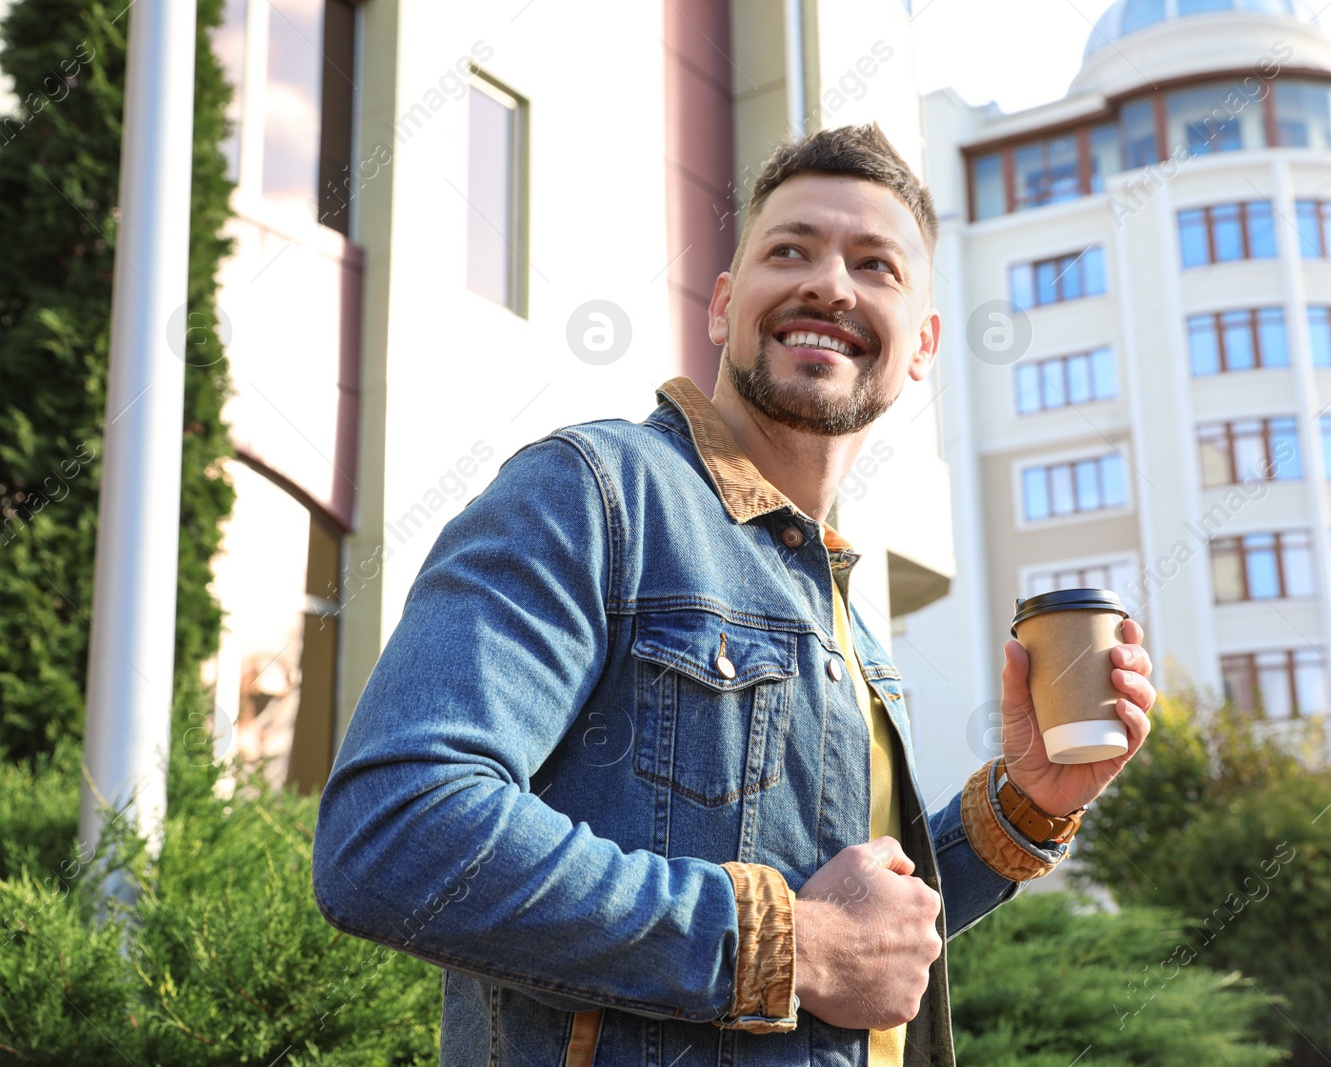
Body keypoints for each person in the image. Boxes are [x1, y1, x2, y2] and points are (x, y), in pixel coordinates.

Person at [312, 122, 1156, 1067]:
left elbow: (863, 941)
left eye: (875, 265)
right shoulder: (596, 492)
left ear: (921, 346)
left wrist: (1022, 807)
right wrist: (780, 944)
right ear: (722, 306)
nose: (829, 283)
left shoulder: (841, 608)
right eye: (789, 249)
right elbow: (394, 833)